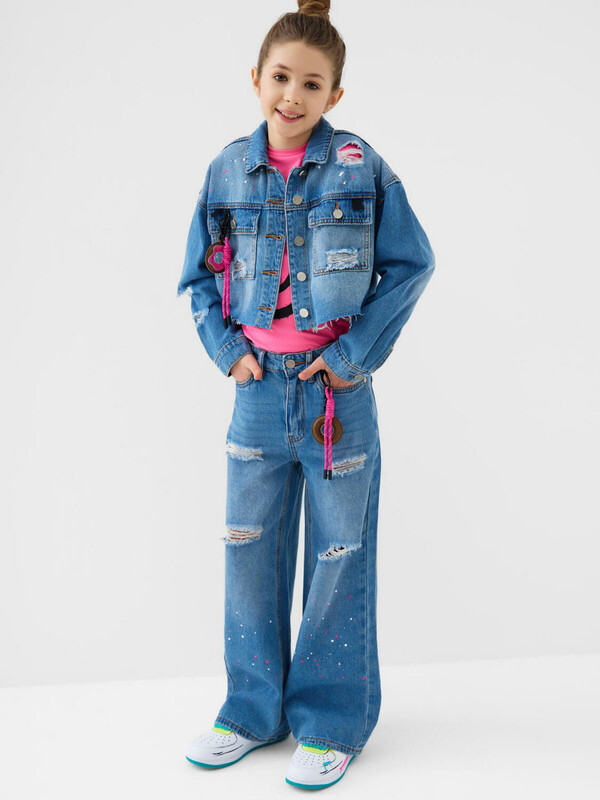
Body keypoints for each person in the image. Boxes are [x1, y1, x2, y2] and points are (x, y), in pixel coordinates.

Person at [177, 0, 435, 789]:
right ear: (256, 78)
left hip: (334, 401)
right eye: (281, 77)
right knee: (248, 551)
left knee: (338, 554)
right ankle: (251, 711)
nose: (293, 95)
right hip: (257, 393)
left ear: (335, 95)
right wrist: (230, 354)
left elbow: (412, 263)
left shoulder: (359, 166)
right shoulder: (226, 170)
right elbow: (198, 277)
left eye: (312, 84)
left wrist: (351, 356)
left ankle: (330, 722)